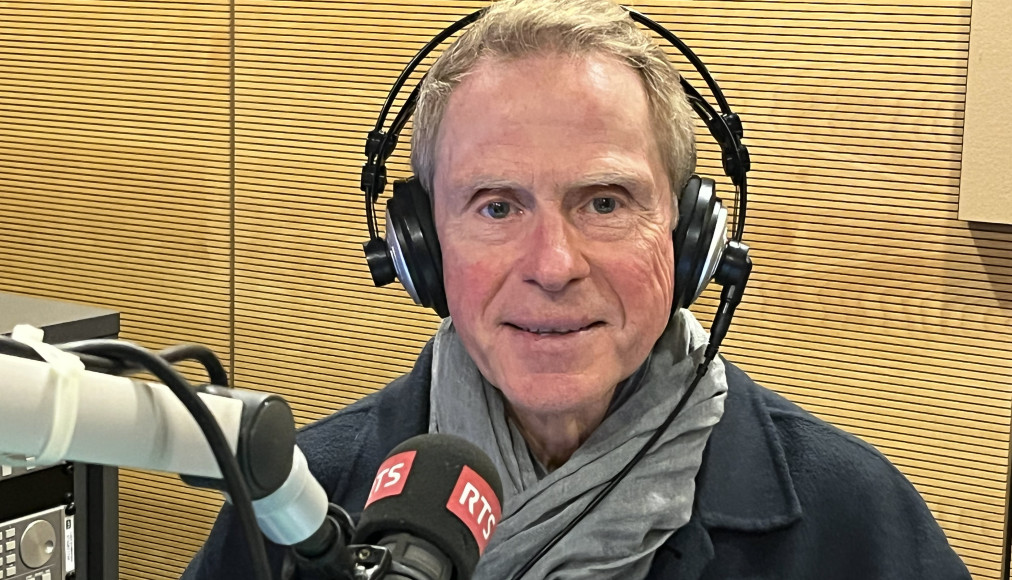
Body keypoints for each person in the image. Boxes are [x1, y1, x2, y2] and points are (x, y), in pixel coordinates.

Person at [183, 0, 970, 578]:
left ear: (691, 235)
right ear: (420, 248)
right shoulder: (296, 504)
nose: (553, 264)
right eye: (496, 206)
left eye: (604, 202)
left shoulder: (854, 521)